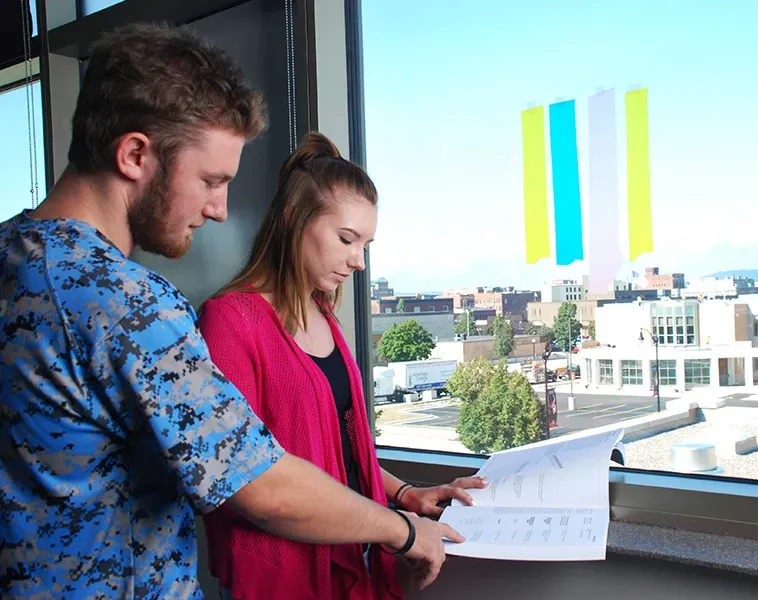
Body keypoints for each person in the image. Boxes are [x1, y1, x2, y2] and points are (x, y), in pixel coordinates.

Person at [0, 23, 461, 600]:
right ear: (135, 154)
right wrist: (401, 531)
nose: (219, 210)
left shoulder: (14, 256)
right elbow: (258, 484)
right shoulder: (126, 304)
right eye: (211, 180)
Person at [197, 131, 488, 600]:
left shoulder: (323, 313)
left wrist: (402, 494)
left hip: (353, 560)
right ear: (294, 220)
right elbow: (248, 483)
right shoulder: (229, 322)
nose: (358, 261)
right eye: (347, 239)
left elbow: (339, 453)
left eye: (366, 246)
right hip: (282, 578)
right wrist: (400, 528)